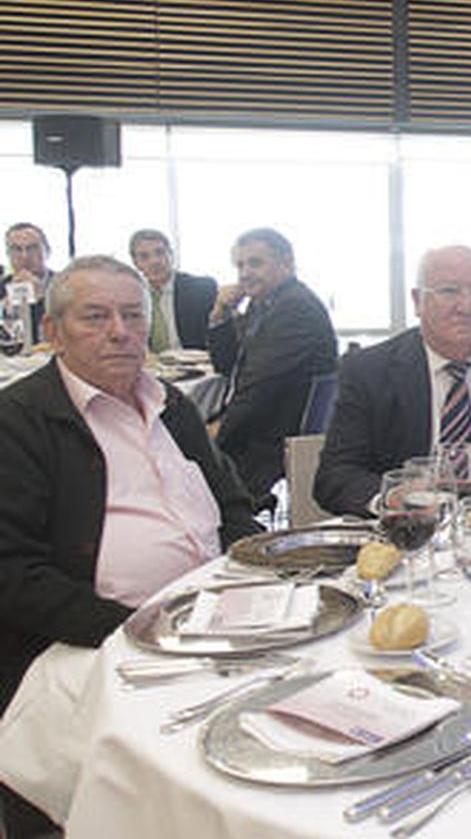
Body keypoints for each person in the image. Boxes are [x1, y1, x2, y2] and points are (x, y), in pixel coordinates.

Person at [0, 256, 260, 714]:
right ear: (53, 332)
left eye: (133, 315)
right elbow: (14, 573)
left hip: (221, 621)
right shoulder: (18, 421)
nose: (120, 331)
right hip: (93, 644)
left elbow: (233, 503)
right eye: (96, 317)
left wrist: (249, 582)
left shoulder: (172, 404)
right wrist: (144, 632)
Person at [314, 245, 471, 516]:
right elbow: (334, 476)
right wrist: (392, 496)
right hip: (410, 534)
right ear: (417, 301)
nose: (466, 306)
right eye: (450, 291)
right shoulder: (369, 369)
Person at [207, 228, 337, 504]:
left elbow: (258, 390)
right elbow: (228, 366)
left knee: (186, 466)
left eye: (255, 263)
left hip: (271, 439)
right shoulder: (264, 304)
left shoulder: (296, 309)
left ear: (287, 264)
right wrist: (220, 316)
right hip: (259, 422)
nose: (244, 274)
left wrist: (216, 435)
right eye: (240, 265)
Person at [127, 228, 217, 352]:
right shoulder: (132, 296)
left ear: (171, 255)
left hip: (194, 366)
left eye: (160, 252)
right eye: (144, 256)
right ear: (135, 263)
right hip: (152, 366)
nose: (155, 261)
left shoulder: (201, 288)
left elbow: (216, 339)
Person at [1, 221, 54, 344]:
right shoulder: (2, 288)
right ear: (8, 255)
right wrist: (7, 310)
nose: (24, 256)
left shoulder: (65, 284)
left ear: (47, 251)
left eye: (32, 248)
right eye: (16, 249)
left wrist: (42, 300)